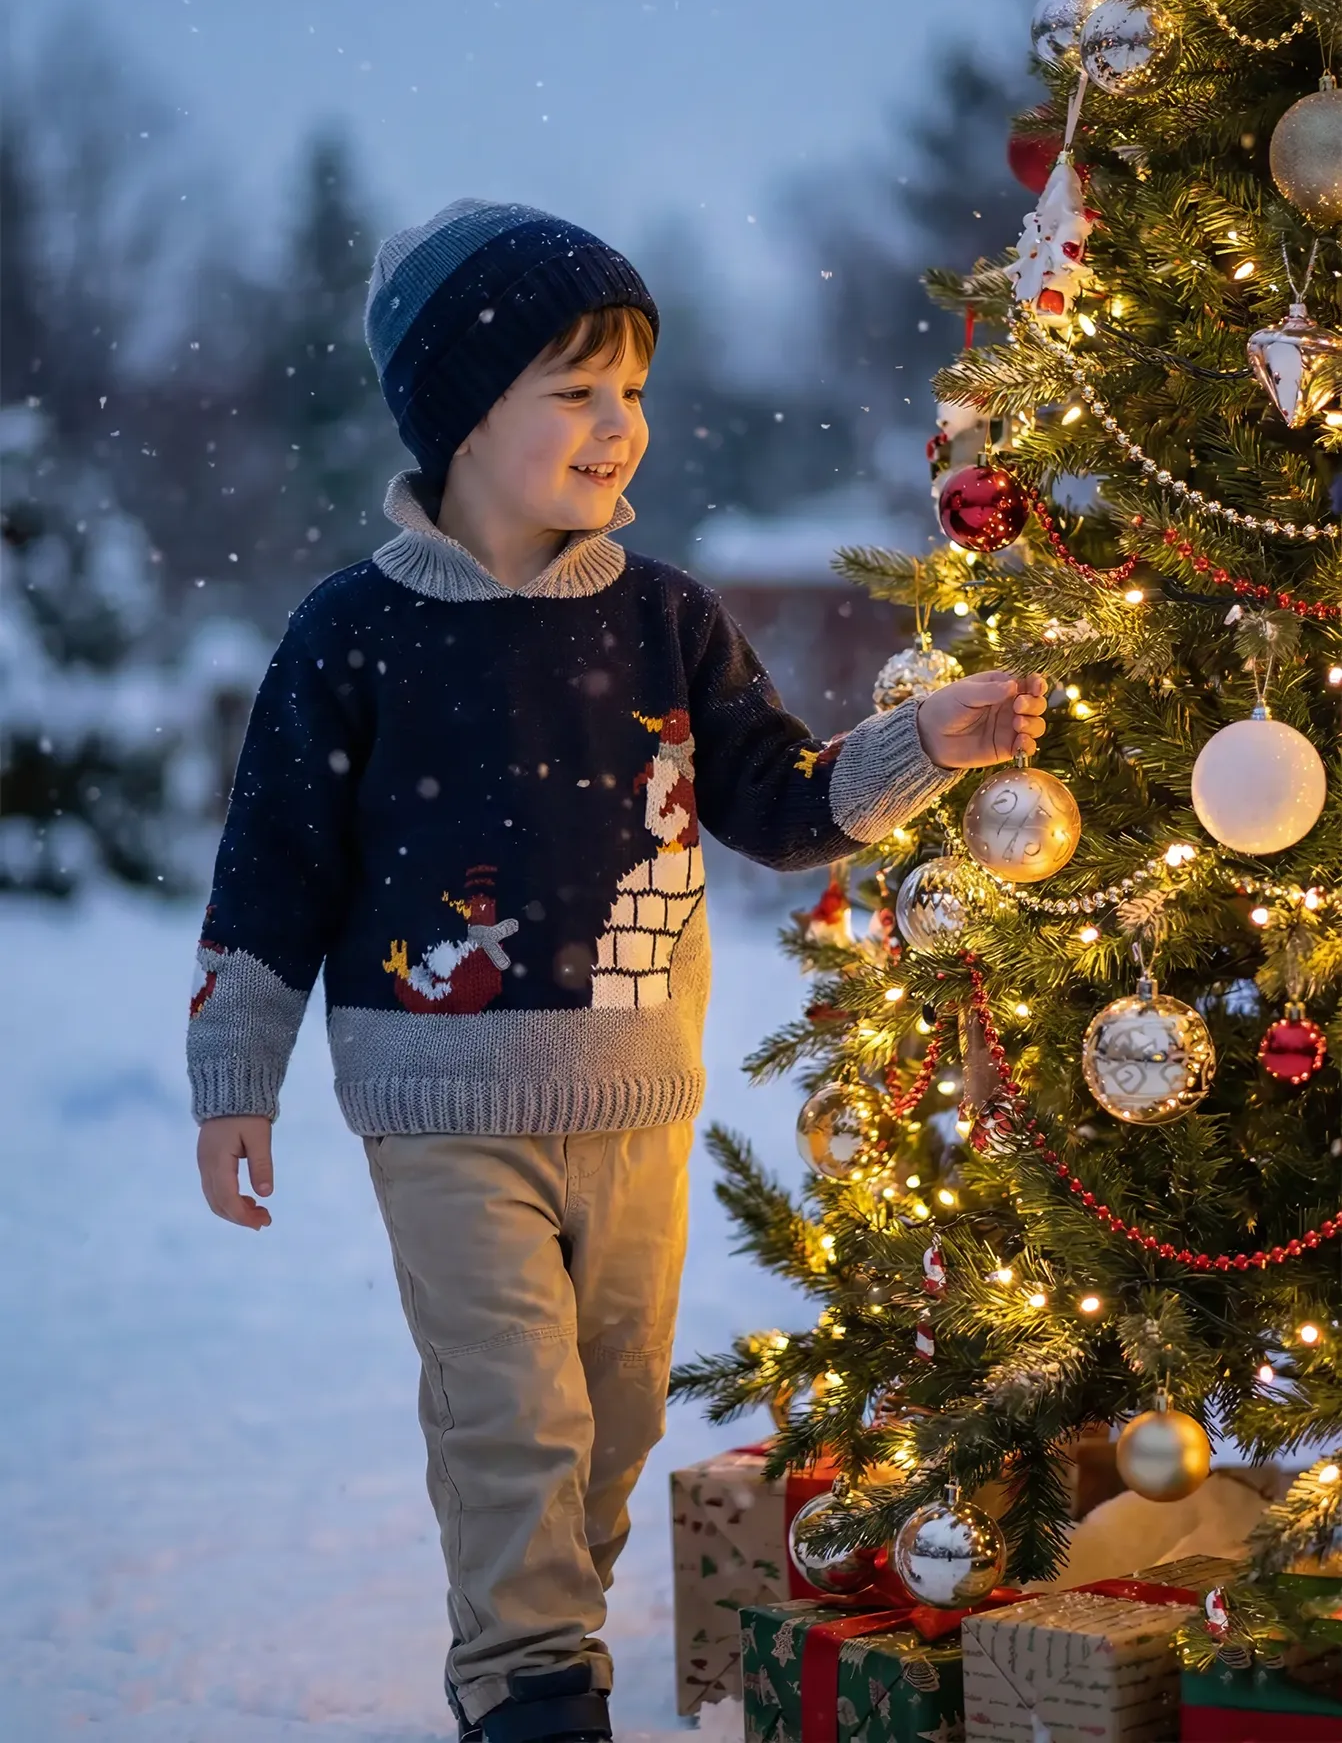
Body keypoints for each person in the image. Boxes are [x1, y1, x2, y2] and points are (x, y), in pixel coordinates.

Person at [188, 199, 1048, 1743]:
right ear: (460, 411)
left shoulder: (664, 620)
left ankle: (542, 1642)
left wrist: (927, 738)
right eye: (572, 390)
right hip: (439, 1100)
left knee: (612, 1416)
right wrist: (233, 1078)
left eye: (632, 391)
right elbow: (272, 870)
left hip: (633, 1094)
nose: (615, 427)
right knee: (510, 1411)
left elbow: (781, 806)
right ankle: (527, 1686)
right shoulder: (356, 634)